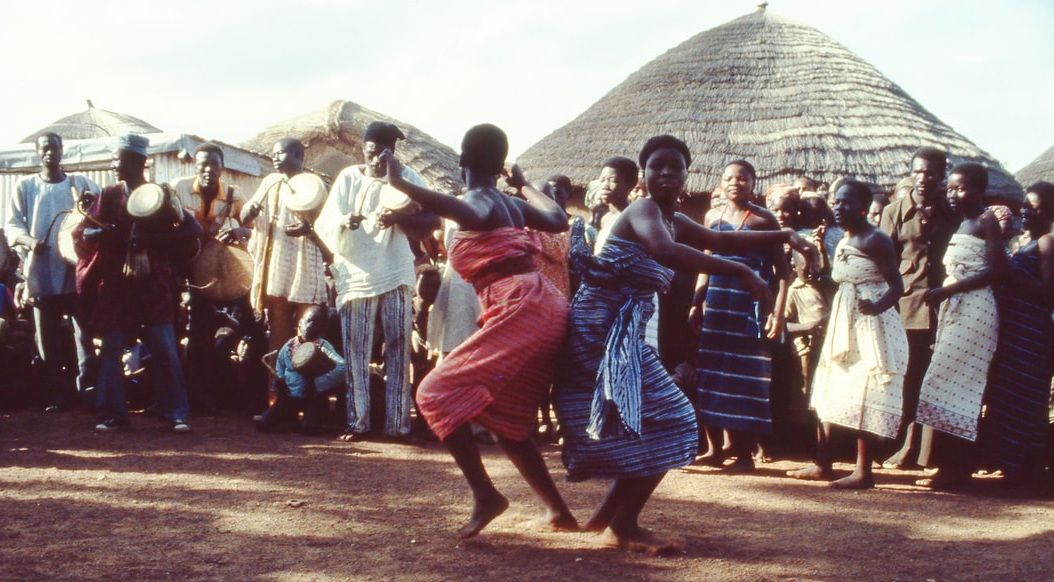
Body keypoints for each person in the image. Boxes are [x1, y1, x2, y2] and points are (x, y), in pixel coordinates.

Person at [555, 135, 817, 554]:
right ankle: (622, 526)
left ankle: (607, 519)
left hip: (619, 331)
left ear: (686, 176)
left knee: (656, 420)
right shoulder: (644, 211)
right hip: (600, 331)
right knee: (676, 419)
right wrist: (745, 274)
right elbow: (665, 250)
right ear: (643, 175)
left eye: (674, 167)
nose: (665, 173)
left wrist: (785, 234)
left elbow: (723, 240)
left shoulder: (671, 217)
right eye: (656, 166)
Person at [379, 123, 576, 538]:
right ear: (498, 165)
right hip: (540, 304)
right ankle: (558, 511)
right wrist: (522, 184)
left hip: (520, 305)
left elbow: (462, 211)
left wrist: (399, 182)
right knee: (509, 421)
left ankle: (486, 495)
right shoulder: (509, 201)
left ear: (463, 163)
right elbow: (558, 219)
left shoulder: (478, 201)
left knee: (432, 393)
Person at [315, 122, 440, 442]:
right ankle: (358, 421)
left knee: (398, 348)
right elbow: (325, 222)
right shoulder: (348, 178)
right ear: (363, 150)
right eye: (371, 154)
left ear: (393, 154)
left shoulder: (407, 177)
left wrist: (398, 218)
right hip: (357, 273)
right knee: (355, 347)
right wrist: (345, 221)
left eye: (383, 156)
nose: (376, 162)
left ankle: (398, 424)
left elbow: (431, 220)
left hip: (396, 271)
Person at [73, 133, 202, 432]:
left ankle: (176, 413)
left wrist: (152, 239)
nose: (114, 166)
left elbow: (192, 230)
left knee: (165, 348)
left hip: (154, 284)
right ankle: (111, 414)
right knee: (111, 349)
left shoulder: (160, 194)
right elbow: (82, 232)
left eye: (121, 161)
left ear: (140, 162)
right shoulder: (108, 195)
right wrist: (97, 236)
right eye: (114, 160)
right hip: (116, 286)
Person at [788, 180, 908, 489]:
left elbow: (897, 285)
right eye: (836, 202)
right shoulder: (843, 240)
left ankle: (863, 471)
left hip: (871, 325)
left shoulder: (876, 239)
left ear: (864, 208)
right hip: (845, 320)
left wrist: (875, 307)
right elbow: (843, 281)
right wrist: (820, 272)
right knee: (830, 386)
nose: (839, 208)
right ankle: (822, 463)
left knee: (866, 390)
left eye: (847, 203)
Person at [693, 159, 792, 470]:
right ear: (721, 183)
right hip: (717, 306)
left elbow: (784, 273)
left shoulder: (765, 220)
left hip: (749, 307)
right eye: (729, 178)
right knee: (712, 373)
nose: (735, 183)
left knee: (747, 377)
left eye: (742, 178)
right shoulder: (711, 216)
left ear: (754, 182)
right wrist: (696, 303)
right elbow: (704, 264)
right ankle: (714, 449)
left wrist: (777, 313)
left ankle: (744, 453)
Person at [915, 162, 1003, 489]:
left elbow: (997, 270)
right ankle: (948, 466)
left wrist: (948, 290)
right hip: (956, 310)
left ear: (979, 190)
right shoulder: (962, 222)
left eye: (961, 188)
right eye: (950, 188)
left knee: (962, 387)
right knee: (944, 384)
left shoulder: (986, 220)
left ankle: (959, 470)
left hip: (976, 310)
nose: (953, 194)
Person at [6, 132, 100, 412]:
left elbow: (100, 210)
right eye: (44, 149)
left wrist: (87, 204)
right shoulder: (26, 186)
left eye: (54, 148)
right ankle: (57, 394)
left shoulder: (79, 182)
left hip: (75, 269)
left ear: (62, 151)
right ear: (38, 153)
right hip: (43, 270)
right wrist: (30, 242)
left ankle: (87, 392)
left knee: (83, 333)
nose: (50, 153)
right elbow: (12, 225)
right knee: (46, 337)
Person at [880, 147, 958, 470]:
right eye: (919, 171)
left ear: (942, 175)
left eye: (932, 173)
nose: (924, 178)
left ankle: (928, 453)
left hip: (945, 306)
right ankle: (907, 446)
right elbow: (883, 260)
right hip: (906, 306)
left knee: (934, 379)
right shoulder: (894, 211)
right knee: (909, 379)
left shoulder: (953, 213)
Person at [978, 181, 1054, 490]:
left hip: (1031, 333)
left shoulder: (1048, 242)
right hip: (1014, 331)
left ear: (1049, 211)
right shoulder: (1025, 242)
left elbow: (1048, 292)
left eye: (1033, 208)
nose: (1025, 212)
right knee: (1009, 398)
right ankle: (1013, 467)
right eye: (1024, 205)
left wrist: (1008, 275)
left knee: (1025, 401)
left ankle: (1030, 472)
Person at [170, 142, 251, 413]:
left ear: (221, 166)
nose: (208, 169)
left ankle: (211, 396)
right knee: (189, 332)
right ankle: (186, 396)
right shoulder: (178, 188)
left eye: (214, 164)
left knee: (207, 332)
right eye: (203, 163)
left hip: (216, 273)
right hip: (182, 269)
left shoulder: (233, 195)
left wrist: (240, 231)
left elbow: (251, 228)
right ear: (195, 165)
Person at [240, 139, 329, 379]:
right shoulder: (271, 182)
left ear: (299, 155)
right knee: (278, 338)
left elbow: (329, 227)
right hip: (277, 268)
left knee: (306, 338)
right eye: (273, 154)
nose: (275, 158)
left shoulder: (315, 185)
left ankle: (305, 402)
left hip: (306, 268)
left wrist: (308, 230)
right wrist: (252, 211)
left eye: (280, 153)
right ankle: (277, 398)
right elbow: (244, 215)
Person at [254, 305, 345, 433]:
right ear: (300, 323)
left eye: (316, 324)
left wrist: (318, 383)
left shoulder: (323, 345)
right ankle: (289, 415)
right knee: (263, 424)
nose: (310, 326)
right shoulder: (288, 346)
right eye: (308, 321)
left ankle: (315, 416)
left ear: (322, 329)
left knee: (309, 428)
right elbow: (280, 369)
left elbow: (342, 366)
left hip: (313, 396)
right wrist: (279, 384)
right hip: (289, 397)